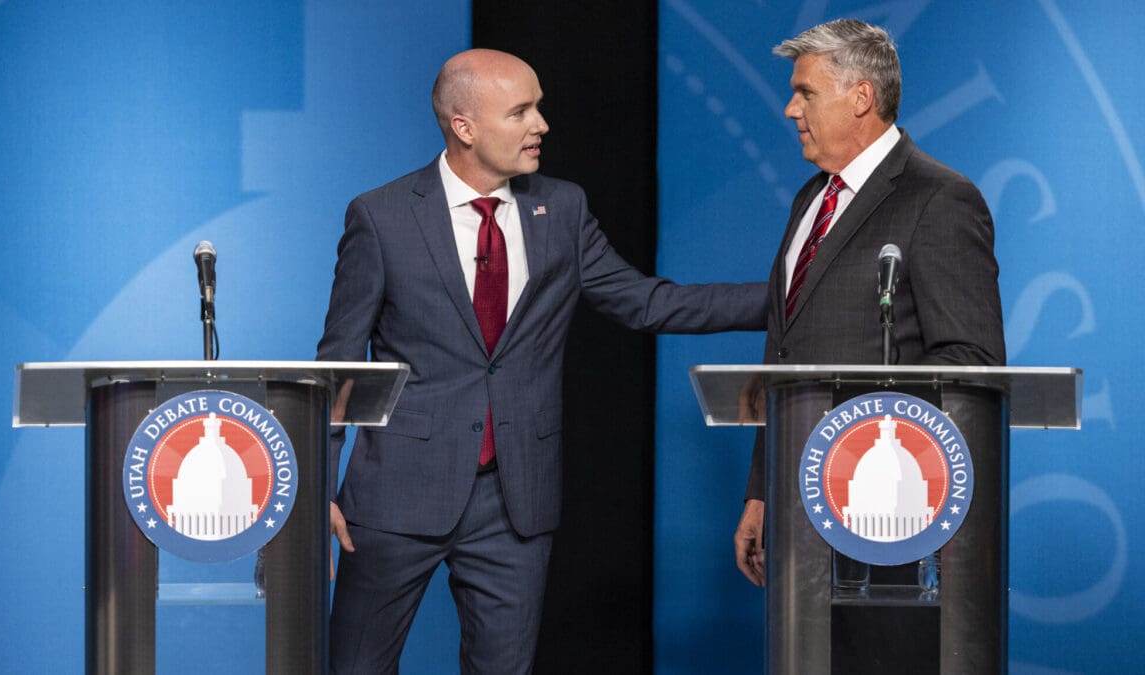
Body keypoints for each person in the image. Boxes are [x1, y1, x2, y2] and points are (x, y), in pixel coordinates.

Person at [316, 48, 767, 673]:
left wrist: (790, 295)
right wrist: (316, 486)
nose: (542, 125)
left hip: (514, 504)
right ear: (464, 125)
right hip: (394, 495)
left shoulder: (563, 209)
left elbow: (646, 303)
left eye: (540, 107)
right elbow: (341, 362)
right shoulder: (382, 217)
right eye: (521, 111)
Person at [732, 19, 1006, 586]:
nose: (790, 109)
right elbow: (782, 352)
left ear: (861, 98)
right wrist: (762, 491)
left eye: (805, 92)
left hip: (890, 505)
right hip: (797, 503)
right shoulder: (812, 198)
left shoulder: (939, 198)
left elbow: (971, 360)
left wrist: (864, 426)